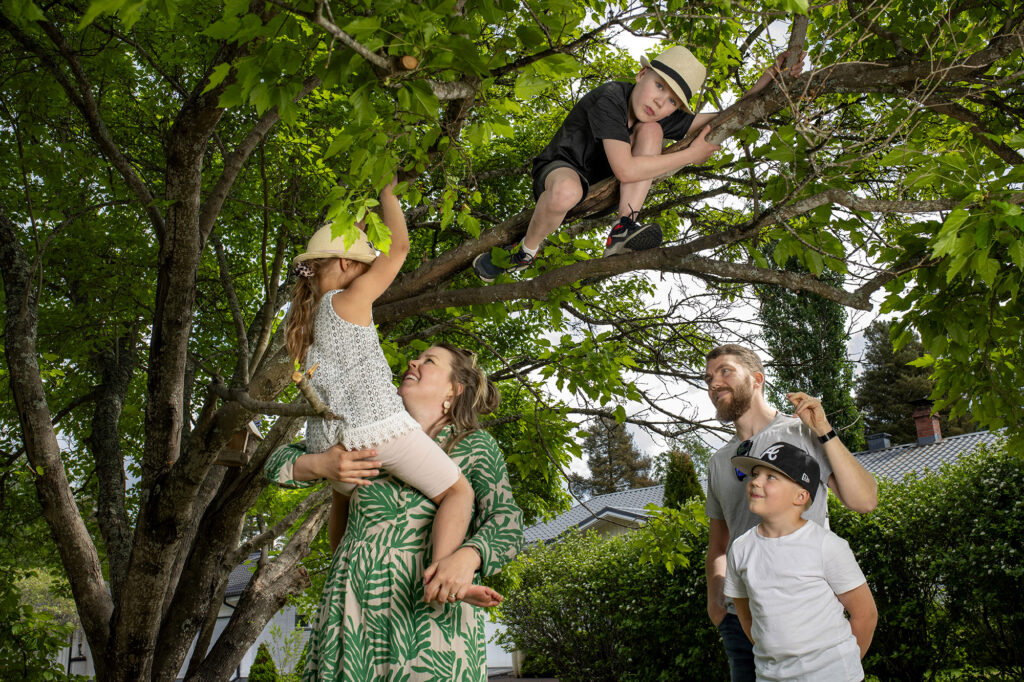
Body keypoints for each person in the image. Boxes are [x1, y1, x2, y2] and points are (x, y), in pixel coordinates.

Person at [265, 343, 524, 681]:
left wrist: (468, 558)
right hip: (352, 607)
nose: (413, 362)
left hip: (428, 612)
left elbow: (507, 522)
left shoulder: (474, 445)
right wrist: (321, 464)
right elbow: (274, 464)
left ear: (454, 389)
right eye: (417, 357)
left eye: (429, 361)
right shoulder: (369, 435)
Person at [472, 45, 804, 282]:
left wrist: (767, 82)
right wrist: (690, 155)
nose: (661, 101)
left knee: (652, 130)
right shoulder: (611, 97)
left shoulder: (658, 118)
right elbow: (627, 170)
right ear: (641, 73)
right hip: (563, 168)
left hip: (606, 188)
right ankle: (525, 252)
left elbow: (723, 118)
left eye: (672, 100)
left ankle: (623, 227)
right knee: (565, 193)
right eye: (659, 86)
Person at [285, 180, 476, 591]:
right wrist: (387, 193)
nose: (372, 271)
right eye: (364, 264)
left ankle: (342, 582)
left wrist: (357, 214)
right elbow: (400, 250)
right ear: (346, 265)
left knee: (346, 507)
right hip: (373, 430)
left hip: (327, 445)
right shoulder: (348, 301)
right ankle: (443, 576)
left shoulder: (309, 318)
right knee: (459, 492)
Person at [703, 343, 878, 681]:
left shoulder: (801, 433)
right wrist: (717, 604)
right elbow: (718, 546)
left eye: (725, 371)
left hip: (807, 619)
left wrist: (824, 430)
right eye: (708, 377)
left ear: (757, 379)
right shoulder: (718, 461)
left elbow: (864, 501)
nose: (714, 383)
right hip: (741, 622)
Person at [725, 442, 878, 681]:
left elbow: (866, 614)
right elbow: (747, 617)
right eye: (755, 474)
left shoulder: (826, 546)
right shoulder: (740, 549)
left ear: (801, 495)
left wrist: (841, 667)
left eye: (771, 477)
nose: (755, 481)